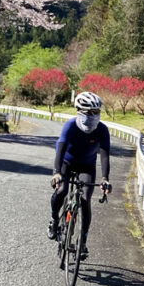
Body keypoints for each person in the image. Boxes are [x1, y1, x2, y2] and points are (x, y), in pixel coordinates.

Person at [48, 91, 112, 260]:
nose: (92, 116)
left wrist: (105, 179)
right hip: (66, 164)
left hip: (87, 166)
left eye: (96, 112)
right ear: (78, 110)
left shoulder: (102, 130)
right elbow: (60, 149)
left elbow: (105, 155)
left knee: (84, 200)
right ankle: (54, 220)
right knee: (62, 191)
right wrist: (56, 173)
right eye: (88, 112)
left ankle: (82, 241)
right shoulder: (70, 126)